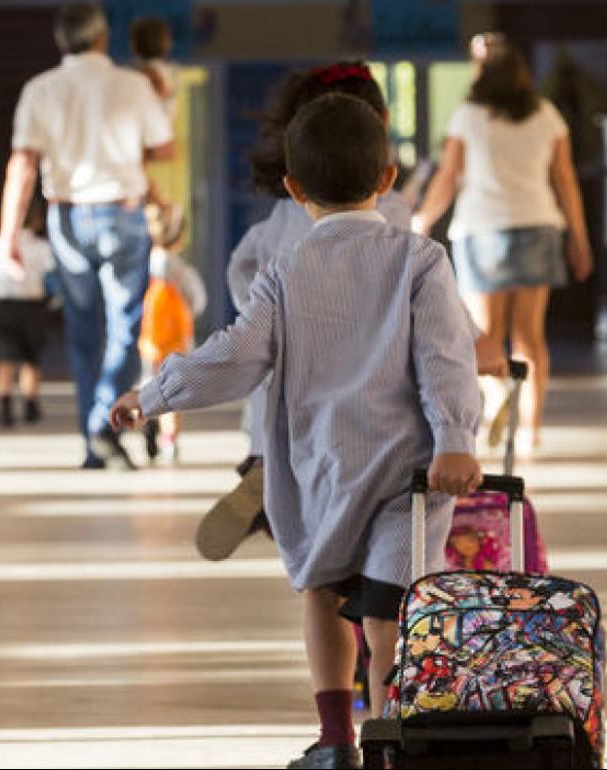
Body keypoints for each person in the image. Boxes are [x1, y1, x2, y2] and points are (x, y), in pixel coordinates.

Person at [110, 93, 482, 770]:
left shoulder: (284, 272)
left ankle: (336, 740)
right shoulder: (421, 260)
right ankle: (390, 745)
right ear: (387, 178)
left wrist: (153, 395)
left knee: (321, 590)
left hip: (321, 471)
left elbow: (233, 357)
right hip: (409, 477)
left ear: (293, 188)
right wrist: (455, 439)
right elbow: (446, 357)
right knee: (389, 613)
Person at [198, 62, 505, 564]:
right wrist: (479, 343)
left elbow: (242, 266)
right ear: (380, 132)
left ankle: (265, 477)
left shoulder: (287, 208)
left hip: (291, 405)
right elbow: (433, 310)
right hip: (370, 421)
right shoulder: (389, 210)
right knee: (374, 544)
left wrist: (264, 316)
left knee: (316, 555)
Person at [0, 3, 174, 470]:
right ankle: (102, 426)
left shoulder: (40, 89)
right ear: (102, 38)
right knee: (125, 326)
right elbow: (165, 147)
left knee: (82, 331)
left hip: (67, 216)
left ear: (62, 41)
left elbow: (23, 163)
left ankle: (93, 441)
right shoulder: (133, 85)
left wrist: (8, 233)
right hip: (122, 213)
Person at [413, 32, 593, 453]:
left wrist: (423, 219)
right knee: (530, 337)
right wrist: (579, 236)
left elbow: (448, 177)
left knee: (485, 336)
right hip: (538, 226)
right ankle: (530, 431)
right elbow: (564, 179)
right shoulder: (546, 115)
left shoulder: (469, 116)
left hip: (483, 231)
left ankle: (496, 396)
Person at [0, 203, 54, 429]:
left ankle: (5, 404)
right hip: (33, 306)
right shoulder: (41, 247)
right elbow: (51, 275)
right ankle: (30, 402)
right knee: (31, 358)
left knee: (5, 358)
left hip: (4, 305)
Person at [138, 206, 206, 463]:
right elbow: (198, 300)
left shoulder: (142, 264)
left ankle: (148, 427)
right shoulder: (181, 269)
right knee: (173, 391)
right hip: (176, 340)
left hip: (149, 338)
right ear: (180, 236)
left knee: (148, 382)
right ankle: (170, 442)